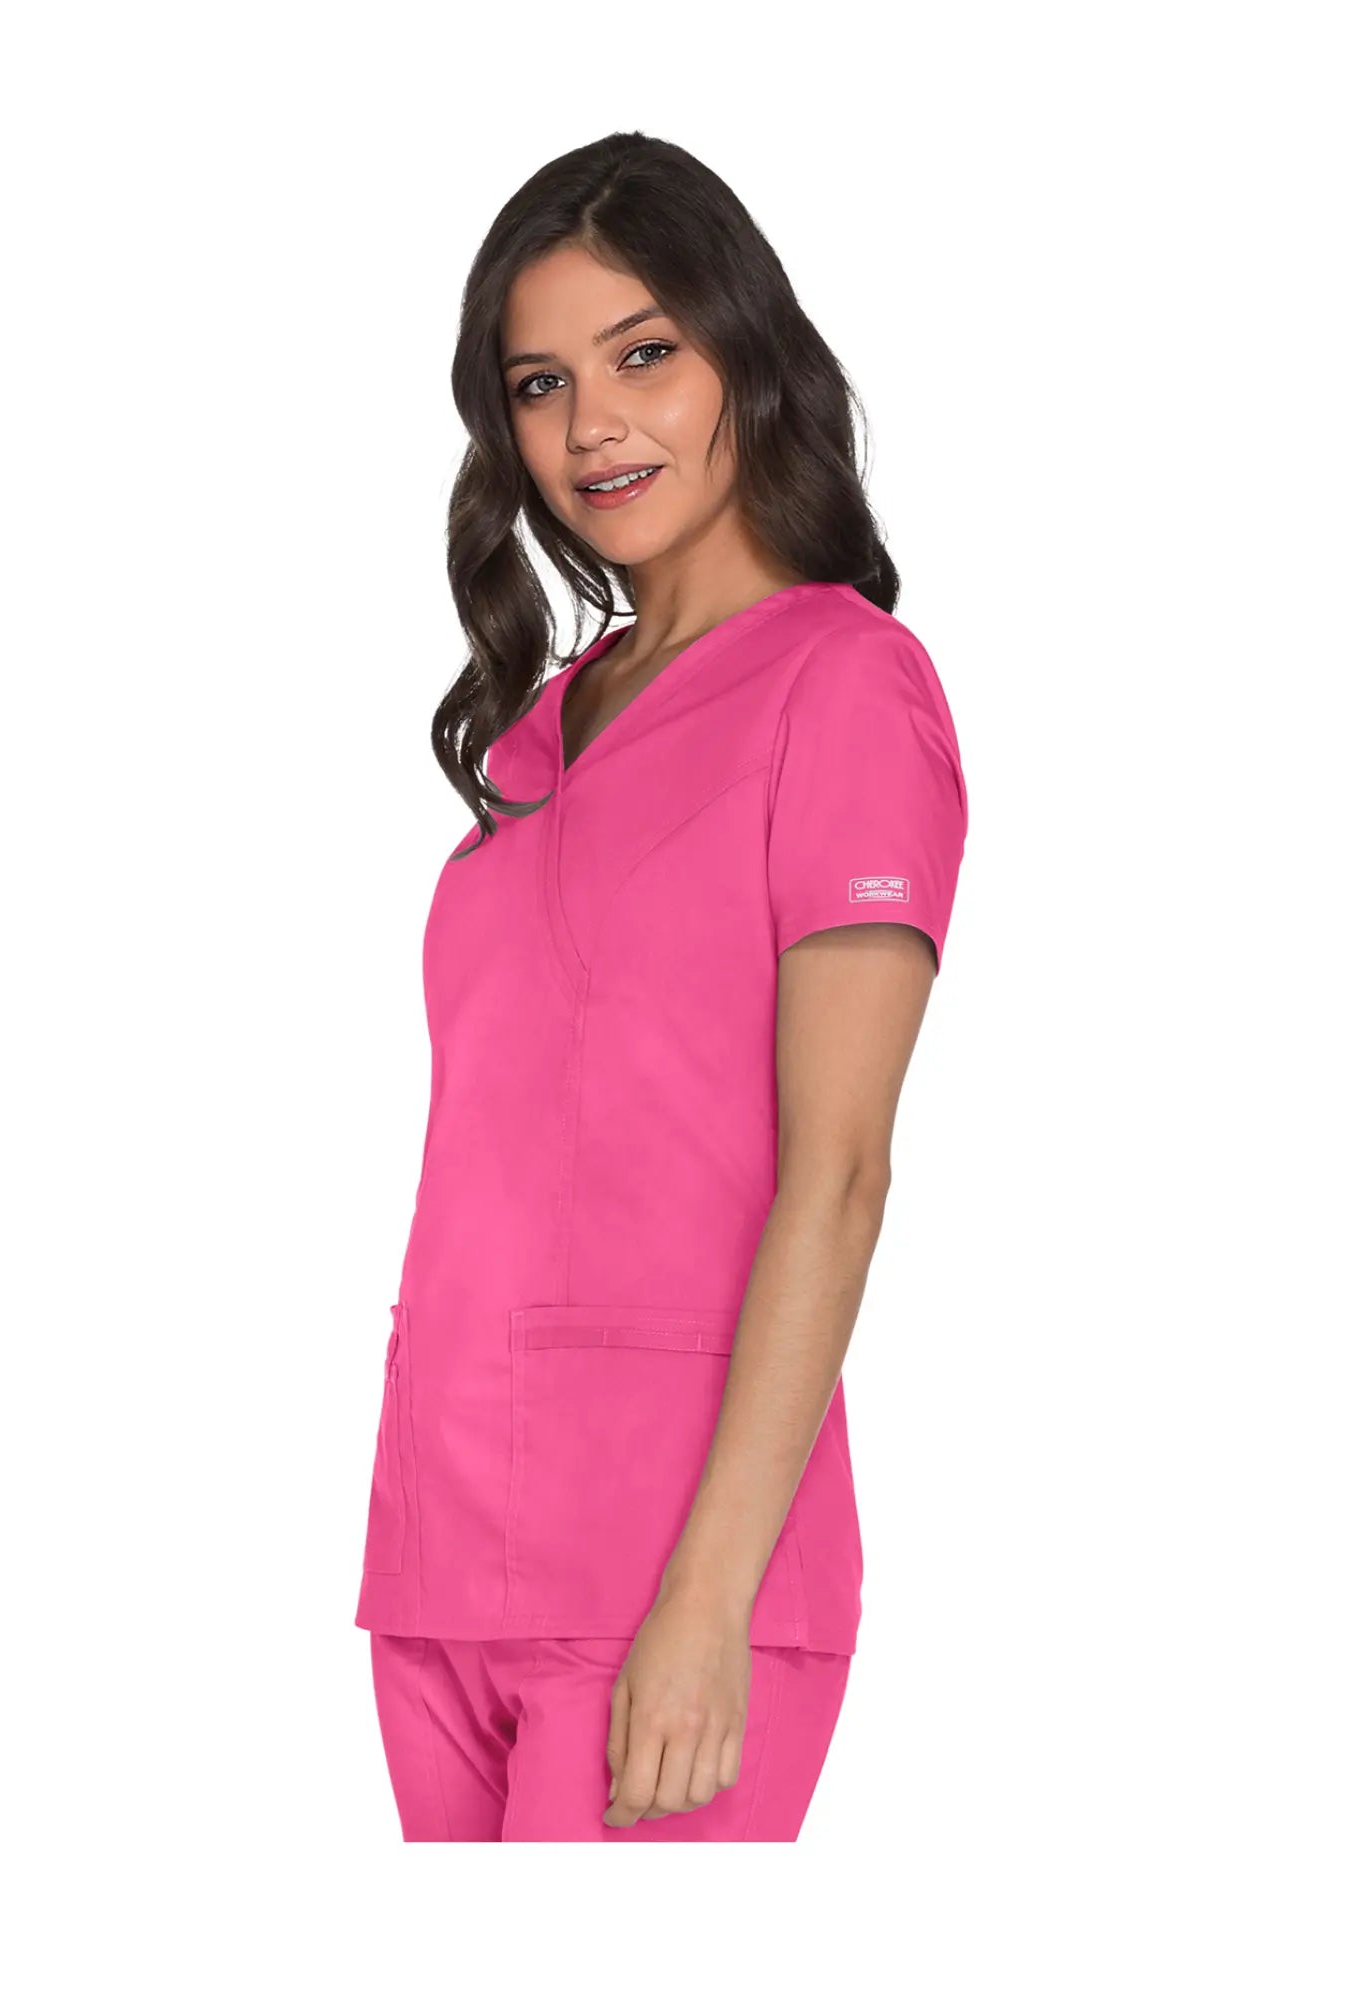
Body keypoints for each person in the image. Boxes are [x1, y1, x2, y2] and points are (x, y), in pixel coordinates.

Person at [354, 132, 971, 1842]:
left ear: (745, 358)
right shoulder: (539, 731)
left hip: (665, 1574)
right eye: (541, 383)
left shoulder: (845, 689)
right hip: (442, 1550)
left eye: (644, 355)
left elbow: (840, 1175)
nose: (592, 427)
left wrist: (709, 1596)